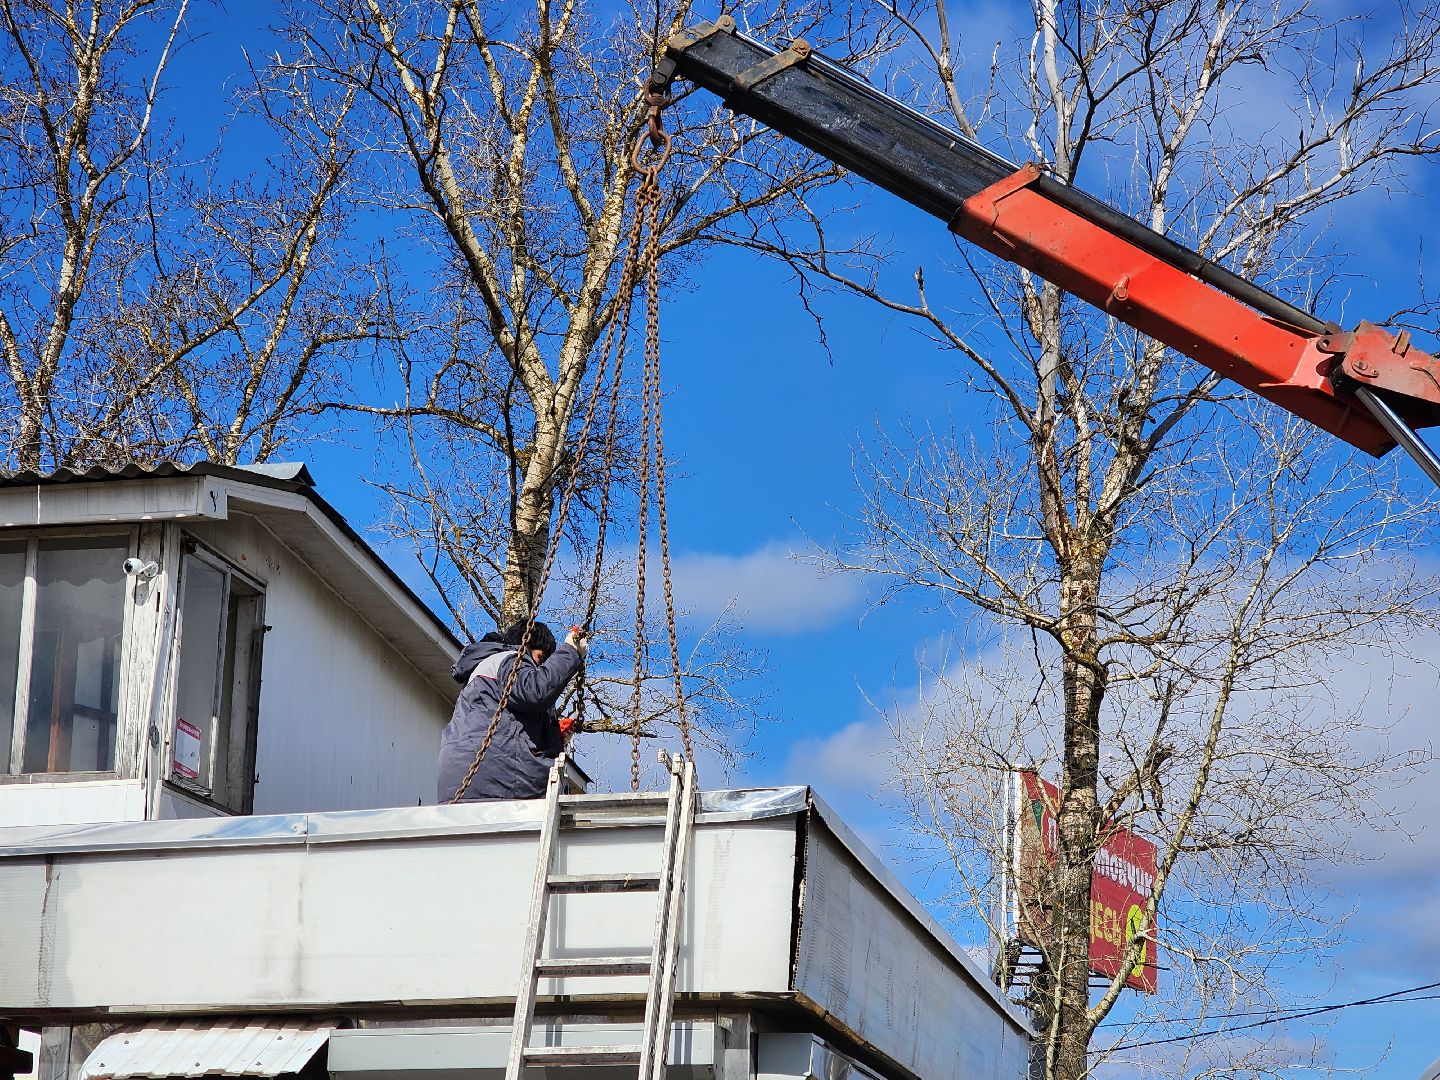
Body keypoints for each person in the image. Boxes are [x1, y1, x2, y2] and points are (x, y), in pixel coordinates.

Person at [436, 619, 589, 802]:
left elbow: (509, 725)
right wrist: (570, 651)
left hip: (470, 783)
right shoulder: (508, 660)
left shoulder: (485, 672)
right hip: (496, 782)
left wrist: (552, 734)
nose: (539, 667)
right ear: (526, 644)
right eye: (540, 658)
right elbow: (535, 691)